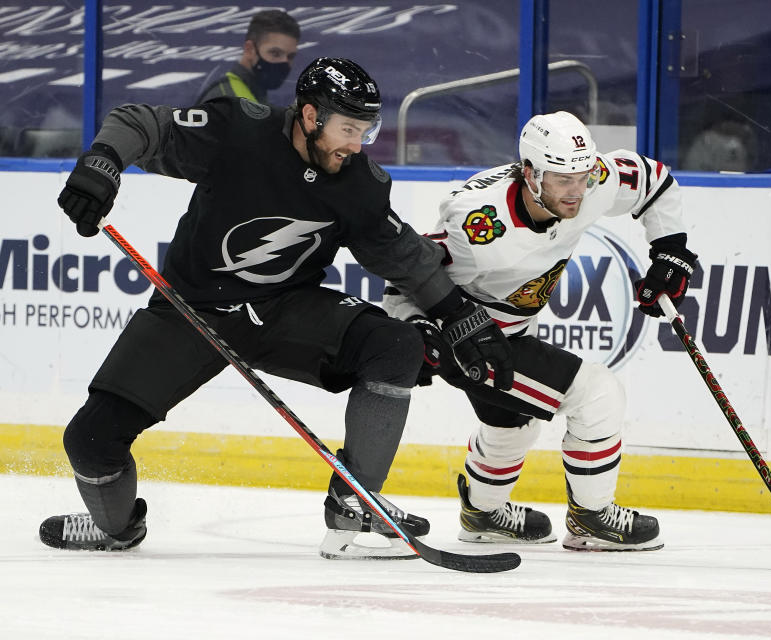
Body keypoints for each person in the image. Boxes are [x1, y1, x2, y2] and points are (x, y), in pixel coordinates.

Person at [42, 57, 513, 560]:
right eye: (349, 129)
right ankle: (115, 527)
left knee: (396, 344)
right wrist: (102, 165)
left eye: (366, 130)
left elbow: (403, 256)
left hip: (286, 309)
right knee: (91, 440)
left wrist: (461, 313)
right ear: (310, 116)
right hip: (191, 310)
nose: (357, 145)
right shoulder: (238, 131)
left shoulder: (360, 184)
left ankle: (354, 503)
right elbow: (139, 122)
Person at [384, 111, 697, 551]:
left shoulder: (593, 181)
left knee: (513, 422)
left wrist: (671, 252)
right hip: (468, 339)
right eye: (562, 180)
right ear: (530, 174)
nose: (576, 192)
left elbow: (654, 181)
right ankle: (591, 517)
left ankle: (484, 513)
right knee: (598, 394)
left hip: (512, 330)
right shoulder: (477, 225)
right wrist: (414, 328)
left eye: (582, 177)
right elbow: (408, 274)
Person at [196, 10, 300, 104]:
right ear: (250, 49)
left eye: (290, 56)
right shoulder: (226, 99)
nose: (284, 63)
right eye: (275, 53)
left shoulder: (254, 94)